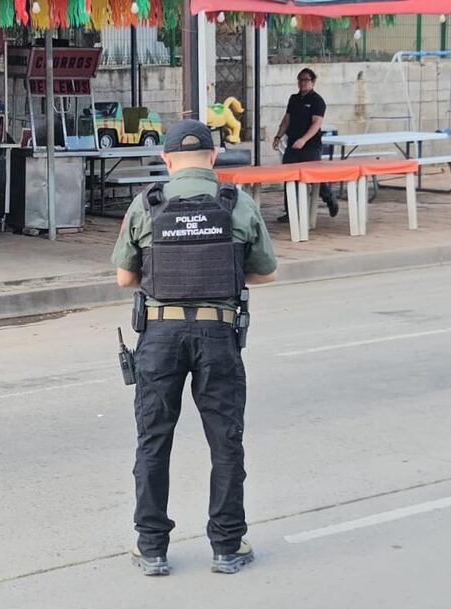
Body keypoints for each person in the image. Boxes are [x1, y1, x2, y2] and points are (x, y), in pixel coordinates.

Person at [111, 119, 278, 576]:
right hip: (218, 335)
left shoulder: (147, 204)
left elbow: (125, 278)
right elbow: (265, 271)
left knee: (153, 440)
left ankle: (152, 549)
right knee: (225, 441)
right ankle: (227, 546)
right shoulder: (236, 202)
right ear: (213, 157)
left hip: (160, 338)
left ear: (166, 160)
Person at [273, 67, 338, 222]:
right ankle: (291, 213)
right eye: (300, 80)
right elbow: (286, 119)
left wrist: (304, 140)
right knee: (289, 178)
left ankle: (329, 198)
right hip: (292, 145)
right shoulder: (293, 99)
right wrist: (278, 136)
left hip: (310, 146)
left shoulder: (317, 101)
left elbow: (316, 124)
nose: (302, 83)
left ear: (313, 82)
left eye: (306, 80)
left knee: (315, 177)